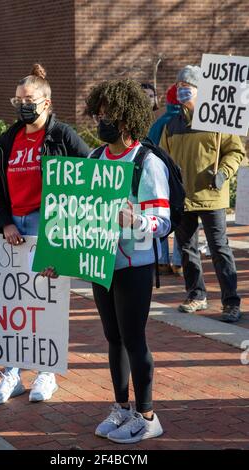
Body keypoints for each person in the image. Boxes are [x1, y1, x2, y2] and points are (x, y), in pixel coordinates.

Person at [0, 63, 90, 404]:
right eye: (17, 100)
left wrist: (63, 229)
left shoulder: (63, 136)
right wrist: (5, 222)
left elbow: (90, 173)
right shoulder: (6, 141)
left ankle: (46, 373)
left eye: (28, 99)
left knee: (47, 303)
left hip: (49, 227)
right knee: (15, 304)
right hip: (15, 229)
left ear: (46, 102)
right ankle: (12, 373)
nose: (22, 106)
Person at [84, 79, 171, 443]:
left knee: (134, 338)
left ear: (125, 120)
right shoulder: (92, 160)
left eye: (108, 115)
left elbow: (163, 220)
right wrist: (61, 256)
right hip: (102, 261)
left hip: (135, 264)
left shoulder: (146, 163)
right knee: (113, 337)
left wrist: (136, 220)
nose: (101, 121)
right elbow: (77, 214)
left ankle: (147, 415)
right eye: (98, 113)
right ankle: (121, 407)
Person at [160, 65, 245, 323]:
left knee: (220, 249)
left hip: (211, 195)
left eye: (189, 86)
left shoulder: (218, 121)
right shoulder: (172, 125)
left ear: (201, 90)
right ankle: (196, 294)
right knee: (186, 249)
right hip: (183, 198)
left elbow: (236, 151)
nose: (183, 90)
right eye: (180, 86)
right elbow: (163, 159)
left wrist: (223, 173)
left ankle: (231, 302)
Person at [147, 84, 182, 275]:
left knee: (160, 215)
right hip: (176, 176)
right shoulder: (182, 122)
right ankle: (177, 261)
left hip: (159, 175)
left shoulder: (159, 121)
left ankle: (161, 259)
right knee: (178, 217)